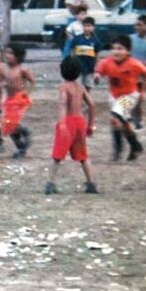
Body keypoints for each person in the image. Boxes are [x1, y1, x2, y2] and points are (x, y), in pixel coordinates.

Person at [45, 57, 97, 195]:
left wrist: (61, 123)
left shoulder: (63, 86)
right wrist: (90, 125)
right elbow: (92, 105)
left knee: (57, 155)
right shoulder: (81, 87)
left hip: (67, 121)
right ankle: (91, 183)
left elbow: (63, 103)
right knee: (83, 155)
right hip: (80, 122)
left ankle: (50, 183)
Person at [94, 35, 146, 162]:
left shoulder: (134, 64)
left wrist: (142, 91)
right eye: (114, 48)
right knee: (118, 123)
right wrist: (97, 76)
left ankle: (118, 151)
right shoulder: (107, 62)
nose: (116, 51)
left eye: (120, 48)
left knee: (115, 117)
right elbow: (99, 70)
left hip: (129, 95)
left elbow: (145, 72)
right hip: (114, 96)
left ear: (128, 51)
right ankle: (135, 146)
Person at [0, 44, 35, 159]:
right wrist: (2, 84)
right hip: (9, 99)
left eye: (11, 54)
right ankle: (21, 147)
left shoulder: (22, 69)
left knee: (11, 123)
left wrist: (26, 92)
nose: (7, 56)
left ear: (18, 56)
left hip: (18, 99)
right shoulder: (4, 68)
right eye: (7, 53)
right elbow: (0, 80)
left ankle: (24, 131)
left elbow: (32, 81)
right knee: (7, 125)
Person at [129, 14, 146, 128]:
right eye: (136, 25)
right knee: (131, 95)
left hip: (144, 75)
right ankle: (132, 116)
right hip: (130, 73)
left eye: (140, 25)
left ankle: (138, 119)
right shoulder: (130, 38)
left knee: (139, 98)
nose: (137, 27)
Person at [63, 16, 101, 91]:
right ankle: (78, 100)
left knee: (88, 86)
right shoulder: (77, 39)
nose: (87, 28)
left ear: (93, 27)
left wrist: (96, 68)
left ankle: (86, 100)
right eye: (85, 26)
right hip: (78, 68)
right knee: (78, 86)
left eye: (89, 26)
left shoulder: (95, 41)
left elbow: (97, 55)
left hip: (90, 68)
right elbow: (72, 52)